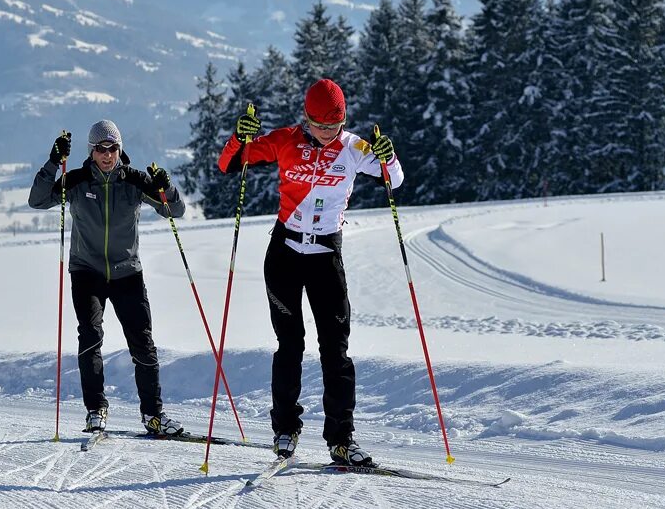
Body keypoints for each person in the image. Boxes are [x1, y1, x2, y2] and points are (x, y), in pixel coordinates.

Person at [217, 78, 401, 467]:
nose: (327, 134)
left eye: (334, 127)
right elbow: (229, 163)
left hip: (325, 257)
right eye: (320, 127)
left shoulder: (353, 148)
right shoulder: (286, 139)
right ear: (306, 119)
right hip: (284, 252)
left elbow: (393, 179)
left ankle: (341, 439)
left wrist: (389, 155)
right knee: (291, 344)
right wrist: (238, 137)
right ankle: (285, 429)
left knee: (336, 350)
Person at [29, 119, 186, 437]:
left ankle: (154, 415)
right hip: (87, 272)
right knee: (90, 337)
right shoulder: (77, 180)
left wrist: (165, 187)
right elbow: (38, 199)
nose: (107, 154)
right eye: (100, 148)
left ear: (120, 149)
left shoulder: (135, 181)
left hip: (127, 272)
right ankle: (96, 410)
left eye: (112, 147)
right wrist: (52, 162)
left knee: (143, 343)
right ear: (91, 151)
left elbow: (175, 210)